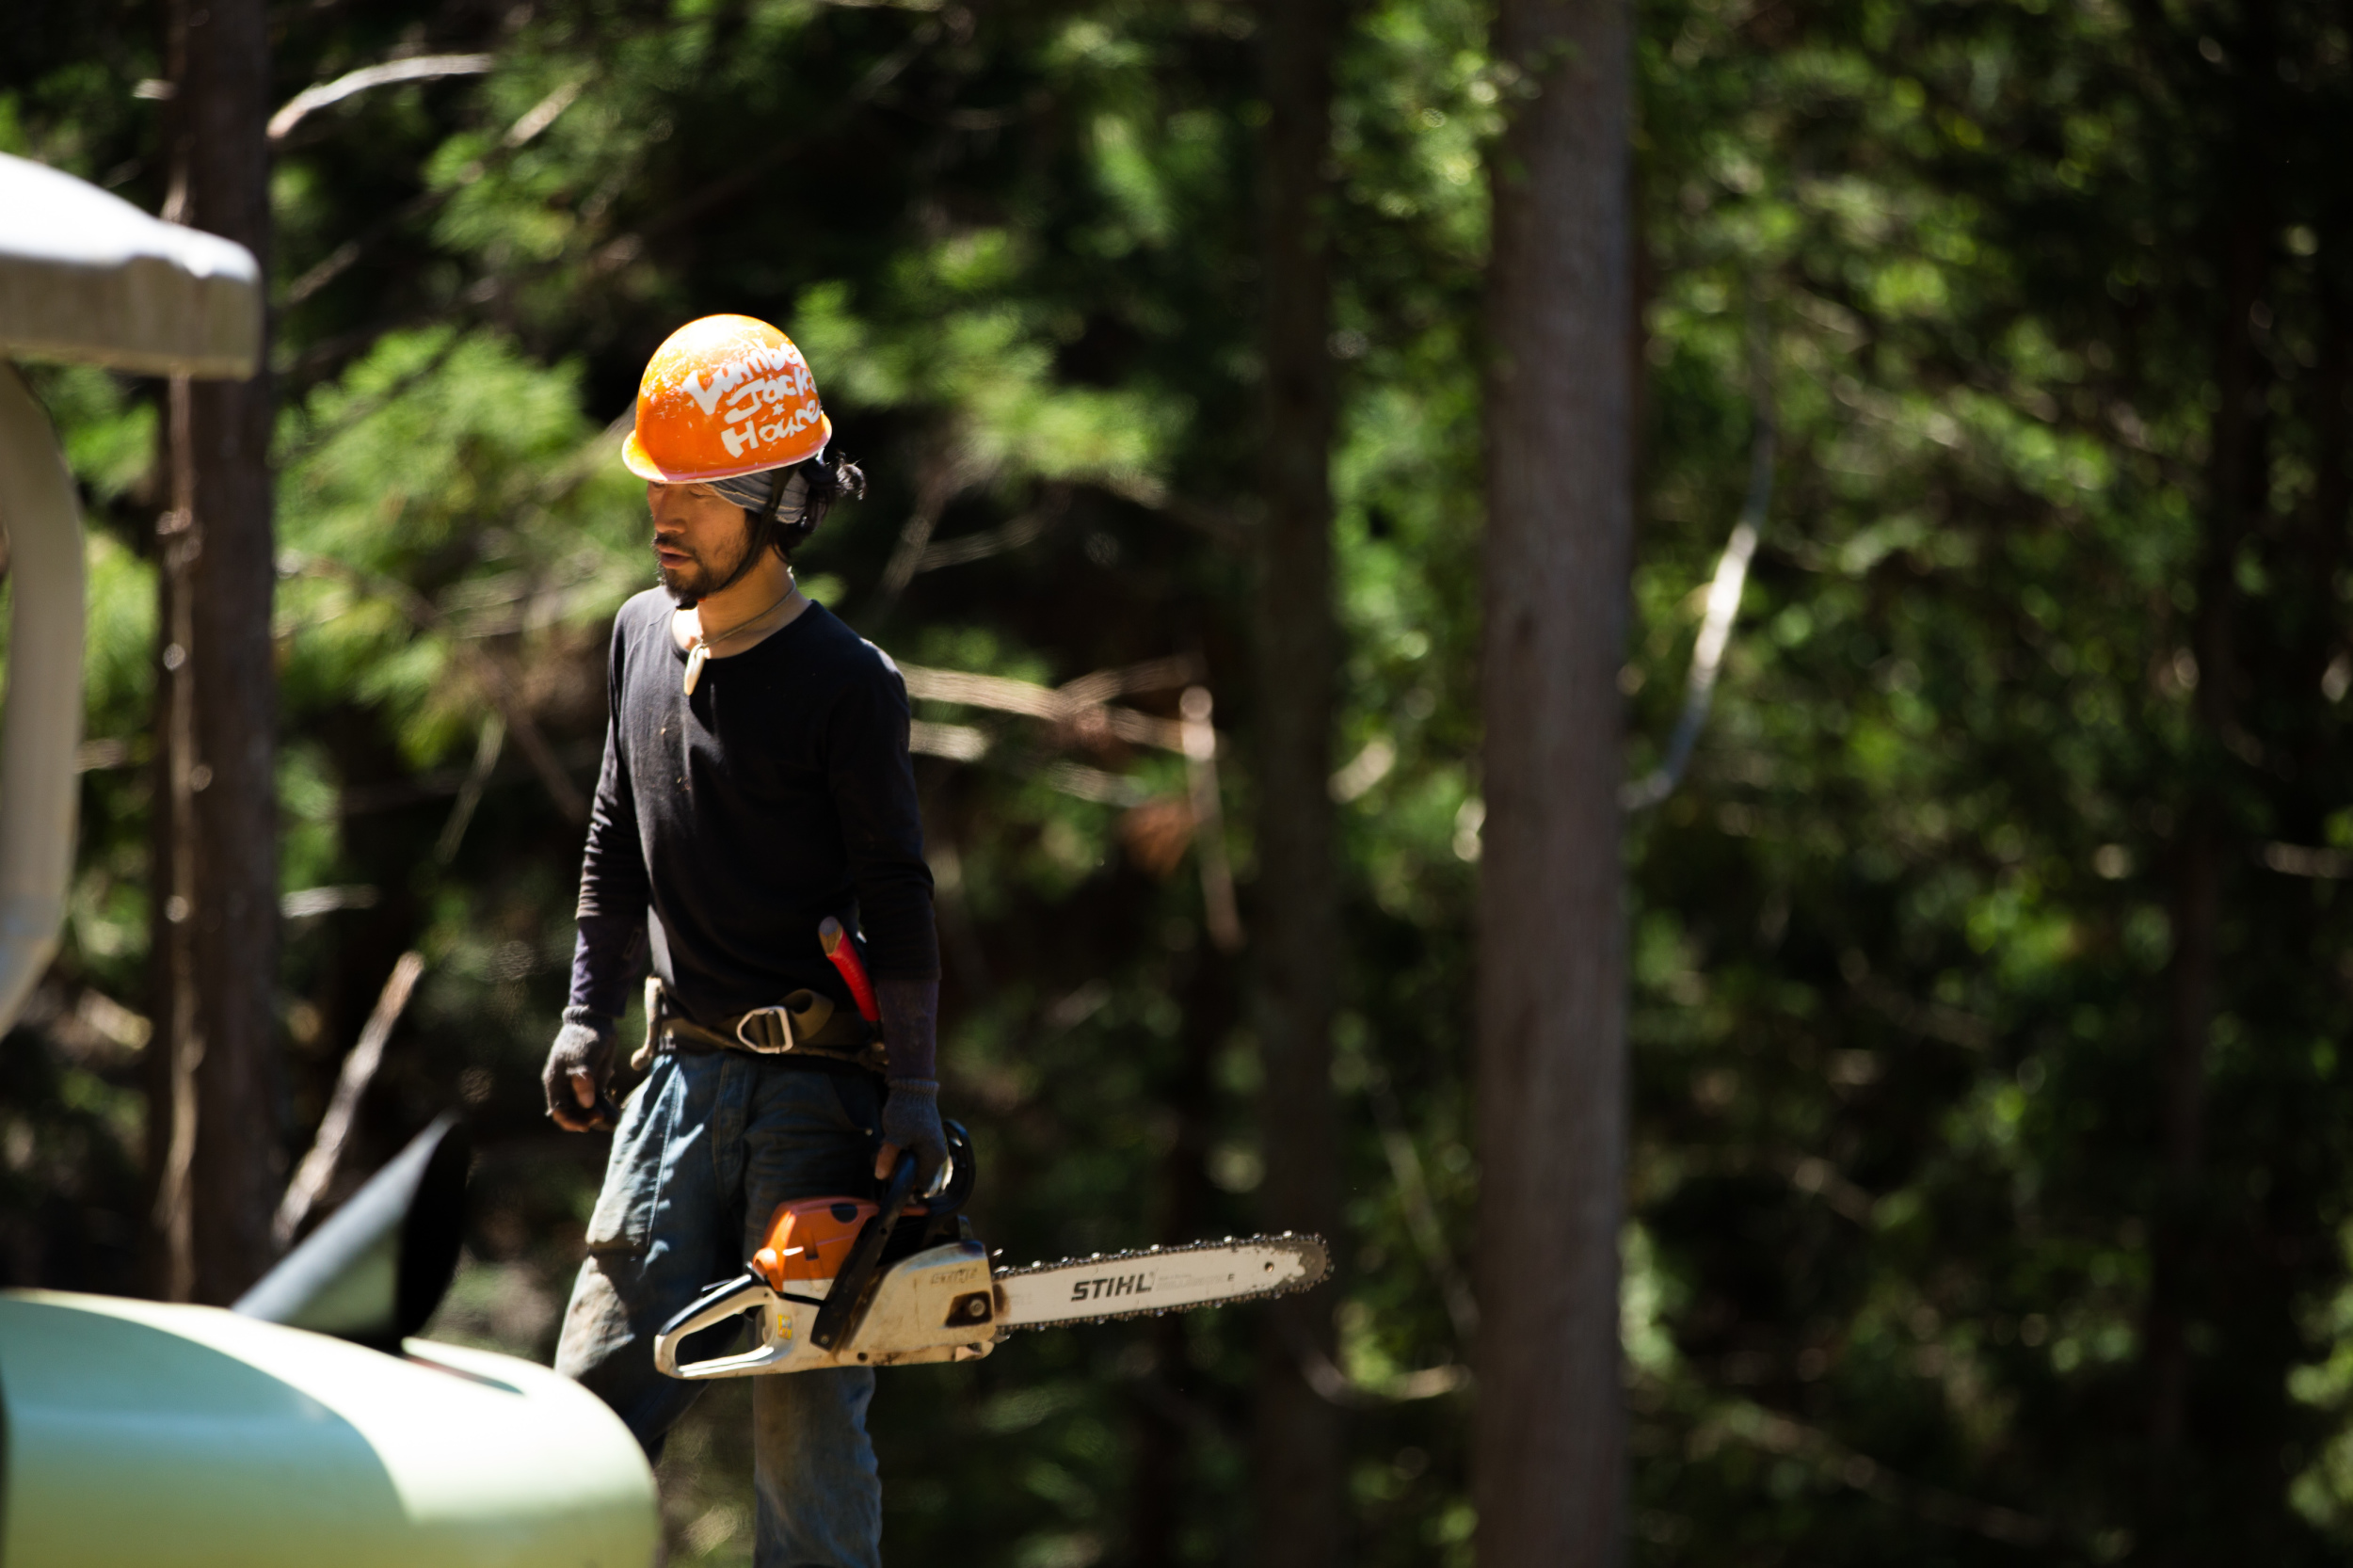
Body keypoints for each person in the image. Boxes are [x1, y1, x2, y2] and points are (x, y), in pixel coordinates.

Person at [545, 312, 945, 1568]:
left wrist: (917, 1090)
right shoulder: (634, 642)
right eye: (655, 480)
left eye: (696, 488)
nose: (663, 508)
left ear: (775, 497)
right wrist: (582, 1010)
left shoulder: (846, 681)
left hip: (816, 1105)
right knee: (579, 1423)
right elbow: (614, 842)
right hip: (673, 1088)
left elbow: (901, 893)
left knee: (803, 1449)